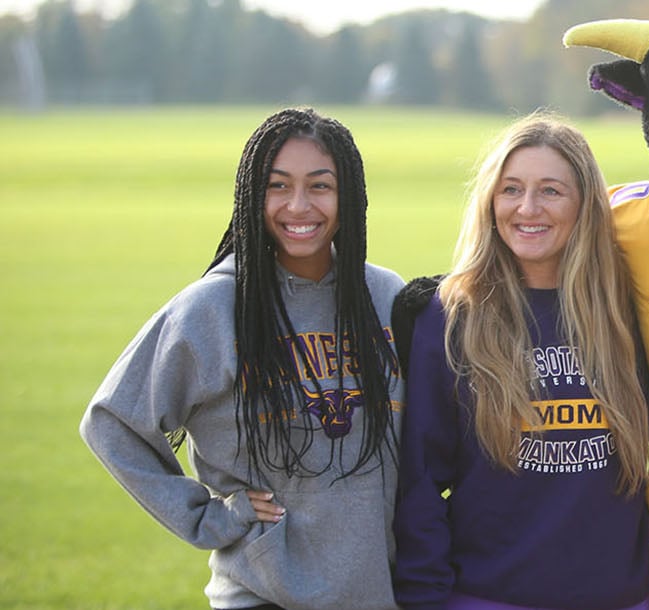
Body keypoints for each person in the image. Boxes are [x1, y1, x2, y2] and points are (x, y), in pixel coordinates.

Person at [79, 107, 405, 610]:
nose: (299, 205)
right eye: (278, 186)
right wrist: (207, 517)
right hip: (261, 594)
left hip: (380, 592)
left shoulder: (385, 297)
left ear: (349, 197)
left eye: (320, 186)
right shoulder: (212, 308)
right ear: (254, 196)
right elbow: (112, 421)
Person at [391, 113, 649, 610]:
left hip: (621, 597)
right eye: (511, 189)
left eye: (551, 191)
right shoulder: (449, 316)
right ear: (490, 202)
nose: (527, 208)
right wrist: (424, 599)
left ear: (586, 206)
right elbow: (420, 483)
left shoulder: (627, 310)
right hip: (488, 597)